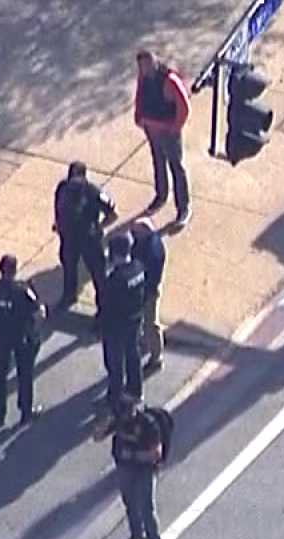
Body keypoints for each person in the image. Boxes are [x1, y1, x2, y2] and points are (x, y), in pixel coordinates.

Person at [92, 392, 165, 539]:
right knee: (130, 503)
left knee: (146, 507)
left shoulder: (148, 424)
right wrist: (104, 422)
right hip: (125, 467)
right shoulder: (119, 420)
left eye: (127, 412)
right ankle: (136, 535)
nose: (124, 416)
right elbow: (97, 437)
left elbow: (156, 453)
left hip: (144, 468)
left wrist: (133, 455)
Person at [0, 254, 45, 426]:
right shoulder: (23, 291)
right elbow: (40, 314)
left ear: (0, 269)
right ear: (15, 270)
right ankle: (26, 413)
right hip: (20, 338)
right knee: (24, 375)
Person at [133, 50, 193, 228]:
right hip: (151, 131)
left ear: (154, 62)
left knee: (176, 167)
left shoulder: (169, 81)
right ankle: (161, 196)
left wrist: (175, 128)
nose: (143, 69)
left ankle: (183, 208)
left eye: (146, 64)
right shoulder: (143, 78)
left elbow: (184, 107)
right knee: (158, 163)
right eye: (141, 66)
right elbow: (139, 97)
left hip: (168, 131)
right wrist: (139, 118)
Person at [52, 162, 116, 310]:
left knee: (98, 273)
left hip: (89, 240)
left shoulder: (93, 192)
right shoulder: (62, 188)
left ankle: (103, 307)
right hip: (68, 238)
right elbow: (58, 208)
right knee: (69, 267)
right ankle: (69, 296)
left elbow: (113, 213)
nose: (73, 182)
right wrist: (59, 224)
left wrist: (99, 227)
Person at [97, 233, 149, 400]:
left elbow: (105, 304)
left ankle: (116, 395)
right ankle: (136, 389)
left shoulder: (115, 279)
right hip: (135, 319)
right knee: (133, 354)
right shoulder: (139, 267)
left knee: (115, 362)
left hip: (116, 327)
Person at [128, 217, 168, 375]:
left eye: (135, 232)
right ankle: (147, 342)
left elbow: (151, 276)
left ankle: (156, 357)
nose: (133, 235)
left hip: (149, 291)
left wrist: (143, 294)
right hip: (144, 288)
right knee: (145, 321)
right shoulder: (147, 241)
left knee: (151, 323)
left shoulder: (152, 250)